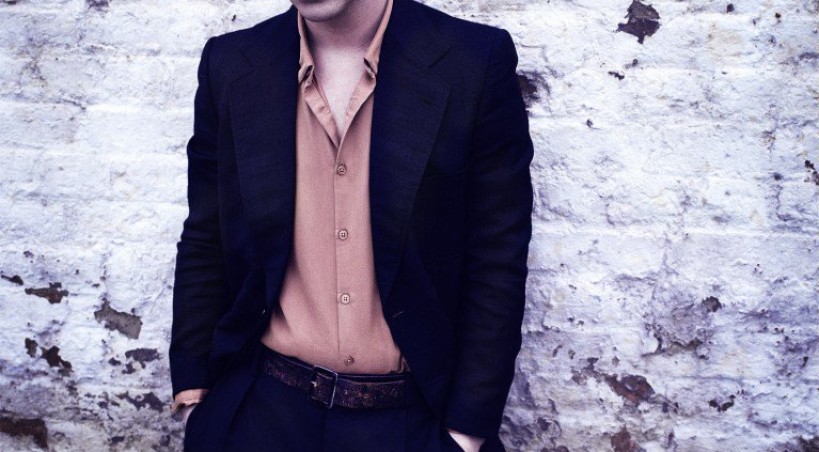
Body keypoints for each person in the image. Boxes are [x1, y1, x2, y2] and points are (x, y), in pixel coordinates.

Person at [168, 0, 534, 450]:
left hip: (412, 419)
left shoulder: (473, 59)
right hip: (261, 410)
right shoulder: (232, 62)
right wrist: (195, 395)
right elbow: (206, 233)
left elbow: (497, 254)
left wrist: (466, 434)